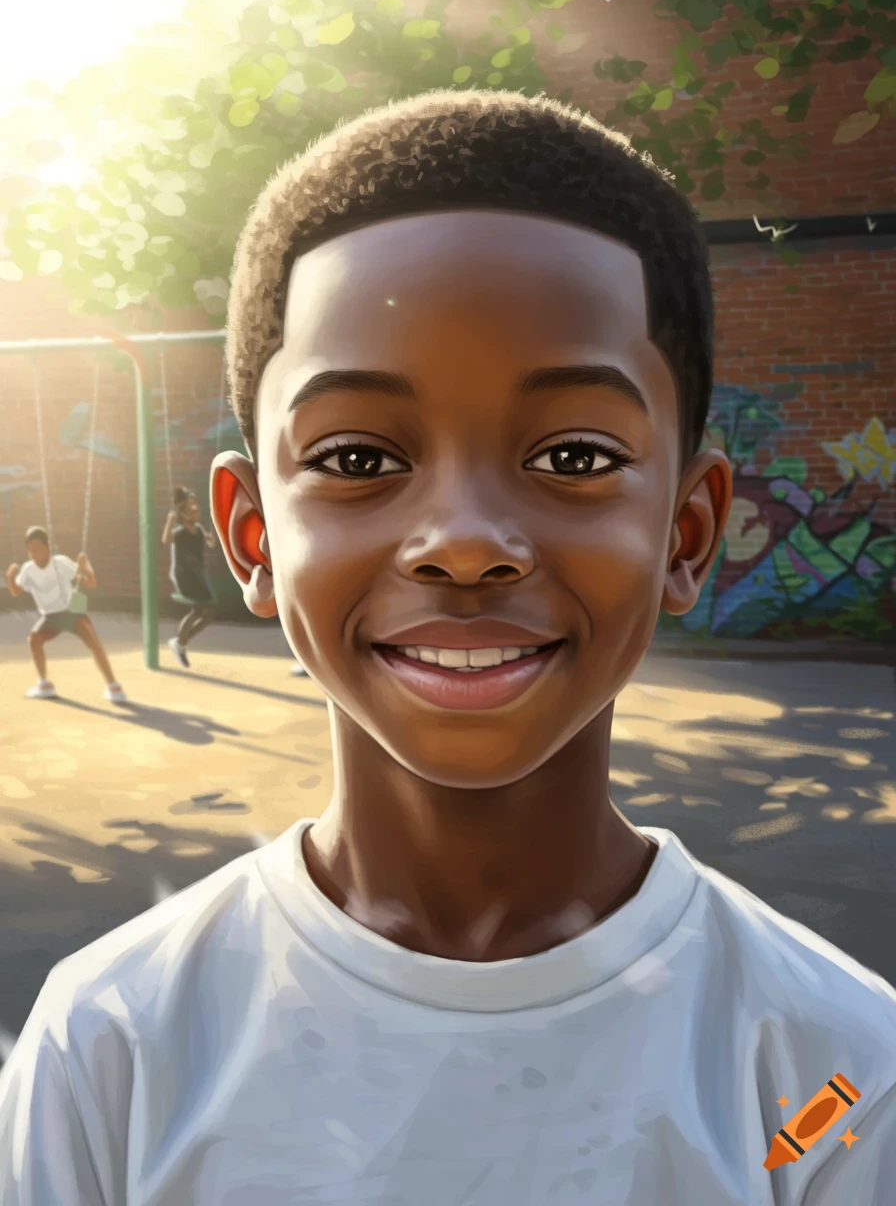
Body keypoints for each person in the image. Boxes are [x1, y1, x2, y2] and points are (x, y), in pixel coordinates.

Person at [1, 90, 894, 1205]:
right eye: (359, 457)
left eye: (571, 456)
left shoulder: (838, 1074)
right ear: (250, 533)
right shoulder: (111, 1043)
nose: (464, 543)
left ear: (687, 527)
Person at [5, 525, 127, 704]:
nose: (34, 554)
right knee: (33, 639)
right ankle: (44, 684)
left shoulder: (60, 562)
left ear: (48, 548)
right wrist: (10, 577)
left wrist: (86, 567)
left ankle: (113, 686)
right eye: (30, 550)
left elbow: (90, 584)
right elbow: (15, 592)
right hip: (50, 617)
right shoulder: (28, 569)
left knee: (94, 643)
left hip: (73, 611)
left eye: (38, 549)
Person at [162, 486, 216, 668]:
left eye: (197, 507)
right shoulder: (180, 532)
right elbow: (166, 540)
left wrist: (211, 537)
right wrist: (170, 521)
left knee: (207, 615)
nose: (197, 510)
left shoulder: (199, 529)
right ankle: (179, 643)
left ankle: (180, 642)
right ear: (184, 514)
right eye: (192, 508)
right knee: (198, 609)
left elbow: (211, 544)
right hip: (184, 575)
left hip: (197, 575)